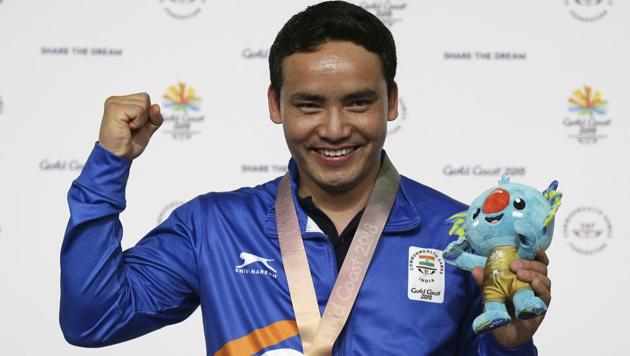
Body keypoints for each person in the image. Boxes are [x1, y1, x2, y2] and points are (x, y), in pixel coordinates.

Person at [60, 1, 551, 355]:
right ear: (275, 104)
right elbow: (93, 320)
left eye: (358, 102)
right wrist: (109, 162)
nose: (334, 129)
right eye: (309, 104)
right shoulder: (212, 226)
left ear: (392, 102)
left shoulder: (455, 231)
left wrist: (511, 346)